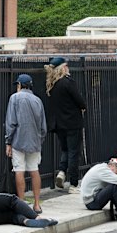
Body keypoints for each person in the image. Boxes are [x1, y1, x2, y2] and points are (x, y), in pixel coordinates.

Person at [44, 57, 87, 195]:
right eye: (66, 65)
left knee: (65, 150)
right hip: (72, 123)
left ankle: (62, 172)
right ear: (63, 68)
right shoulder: (68, 82)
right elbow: (80, 101)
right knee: (74, 152)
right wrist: (83, 107)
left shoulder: (52, 84)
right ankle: (73, 184)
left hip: (58, 124)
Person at [5, 74, 47, 213]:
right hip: (34, 141)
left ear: (19, 85)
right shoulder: (37, 101)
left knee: (19, 171)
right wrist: (39, 140)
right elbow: (43, 127)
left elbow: (11, 122)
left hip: (18, 140)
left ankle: (22, 204)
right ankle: (37, 204)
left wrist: (8, 142)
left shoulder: (14, 98)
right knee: (34, 171)